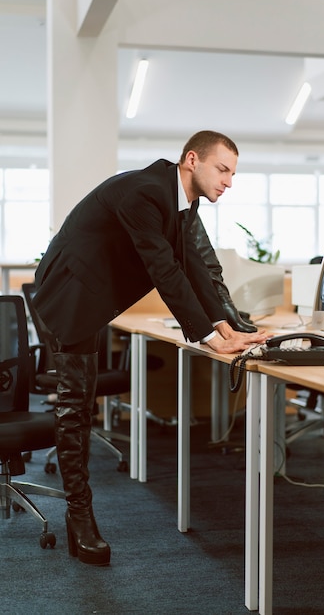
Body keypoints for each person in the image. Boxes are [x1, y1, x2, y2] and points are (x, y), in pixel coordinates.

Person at [32, 130, 269, 567]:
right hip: (69, 297)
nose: (229, 182)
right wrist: (207, 336)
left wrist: (228, 326)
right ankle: (79, 517)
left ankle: (77, 514)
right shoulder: (145, 193)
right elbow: (164, 268)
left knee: (80, 406)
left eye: (233, 173)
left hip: (94, 295)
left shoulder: (181, 200)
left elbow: (194, 264)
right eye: (223, 169)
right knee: (75, 407)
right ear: (192, 160)